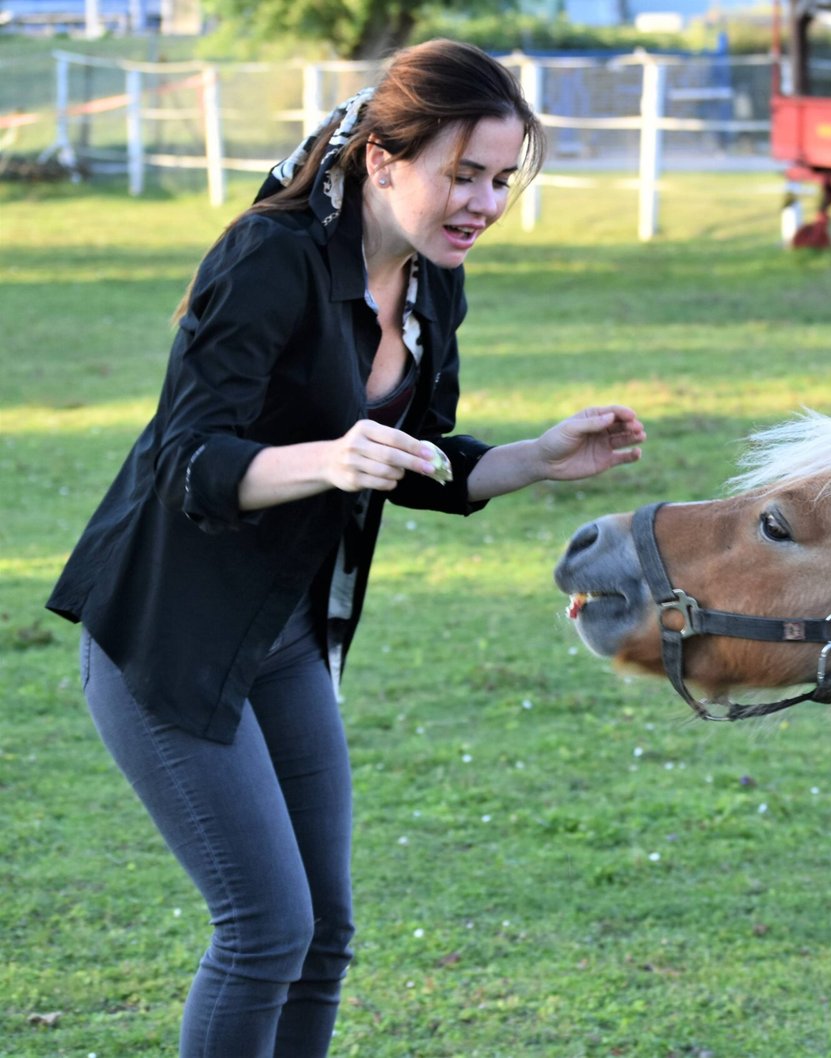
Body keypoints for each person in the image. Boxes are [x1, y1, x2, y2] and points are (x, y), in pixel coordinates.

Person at [46, 39, 645, 1058]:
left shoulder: (430, 284)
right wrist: (325, 457)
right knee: (264, 928)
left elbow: (408, 461)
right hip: (169, 630)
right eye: (463, 175)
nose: (484, 203)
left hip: (285, 633)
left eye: (501, 180)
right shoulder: (266, 260)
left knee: (323, 934)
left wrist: (536, 457)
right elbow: (189, 462)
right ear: (383, 159)